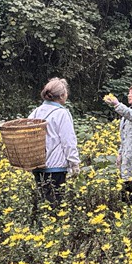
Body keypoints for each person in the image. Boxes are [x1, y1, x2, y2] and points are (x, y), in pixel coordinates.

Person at [28, 77, 80, 205]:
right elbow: (68, 141)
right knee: (56, 203)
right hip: (56, 167)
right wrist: (74, 163)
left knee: (43, 202)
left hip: (38, 165)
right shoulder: (62, 113)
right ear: (62, 96)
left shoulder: (35, 112)